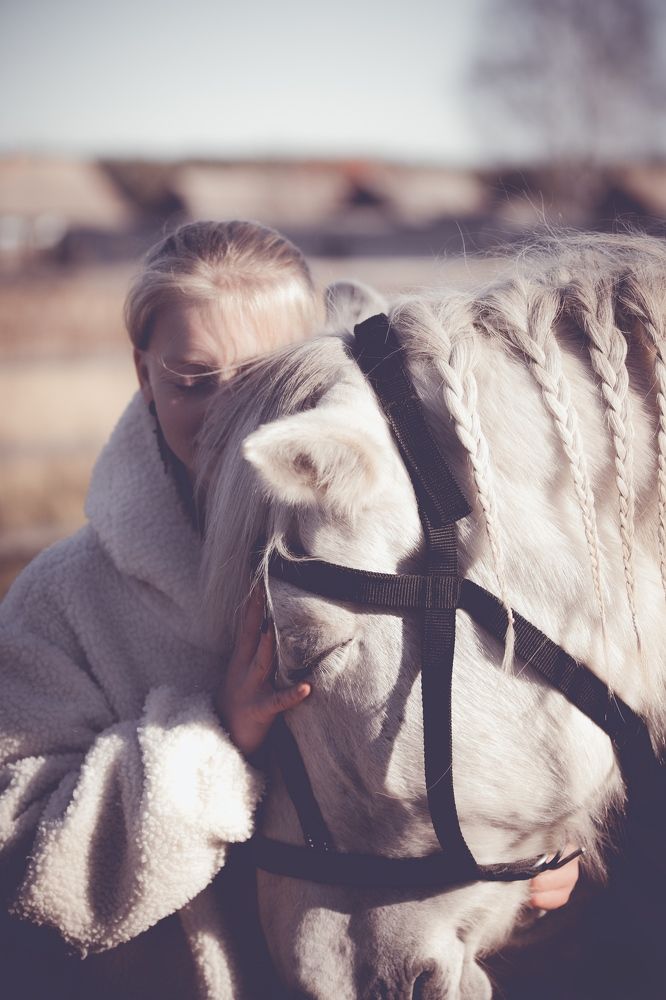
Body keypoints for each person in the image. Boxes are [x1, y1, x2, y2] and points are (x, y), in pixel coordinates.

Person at [0, 220, 579, 1000]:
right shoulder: (62, 601)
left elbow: (438, 763)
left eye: (263, 375)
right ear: (143, 372)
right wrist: (214, 739)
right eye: (190, 377)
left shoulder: (399, 560)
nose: (230, 410)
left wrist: (522, 863)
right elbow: (23, 873)